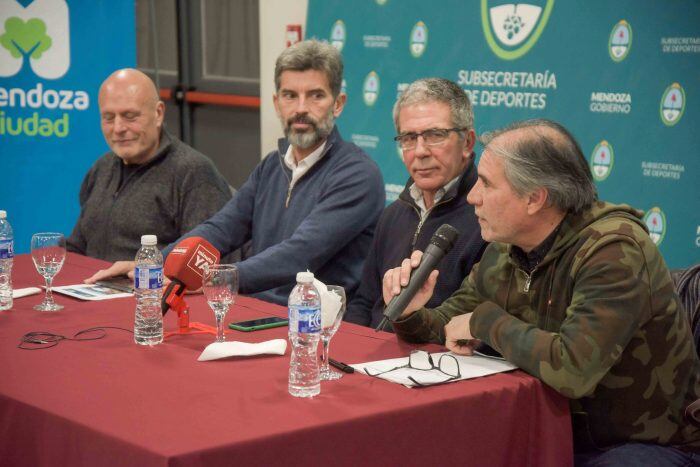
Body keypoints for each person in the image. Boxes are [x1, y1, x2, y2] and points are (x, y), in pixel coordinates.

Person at [383, 119, 700, 463]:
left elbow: (573, 369)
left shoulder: (614, 250)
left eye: (486, 184)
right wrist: (412, 313)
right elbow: (449, 325)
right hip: (545, 428)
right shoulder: (507, 248)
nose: (472, 197)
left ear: (535, 198)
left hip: (639, 444)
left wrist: (484, 321)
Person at [90, 40, 385, 305]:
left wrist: (216, 279)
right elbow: (221, 229)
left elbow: (300, 254)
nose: (301, 108)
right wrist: (154, 264)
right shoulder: (272, 165)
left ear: (338, 104)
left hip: (318, 324)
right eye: (290, 95)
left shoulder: (358, 175)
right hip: (254, 309)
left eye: (316, 96)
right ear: (276, 103)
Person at [344, 78, 486, 329]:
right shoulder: (393, 214)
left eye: (435, 135)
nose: (420, 151)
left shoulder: (488, 219)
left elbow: (473, 326)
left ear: (467, 142)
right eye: (409, 138)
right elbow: (364, 303)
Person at [68, 68, 231, 263]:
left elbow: (207, 264)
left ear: (158, 113)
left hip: (150, 290)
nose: (118, 128)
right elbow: (77, 248)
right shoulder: (101, 169)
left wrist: (142, 271)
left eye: (130, 116)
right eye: (109, 118)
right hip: (93, 287)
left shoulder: (193, 173)